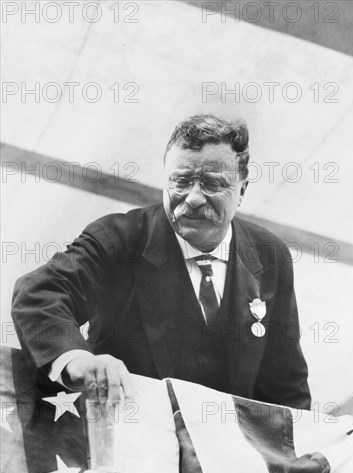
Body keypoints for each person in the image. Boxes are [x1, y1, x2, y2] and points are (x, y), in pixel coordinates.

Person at [11, 114, 311, 409]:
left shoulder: (270, 255)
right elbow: (40, 293)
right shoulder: (119, 237)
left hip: (223, 452)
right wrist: (78, 360)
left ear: (242, 190)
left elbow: (285, 386)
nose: (193, 198)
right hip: (131, 438)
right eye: (180, 181)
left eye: (211, 183)